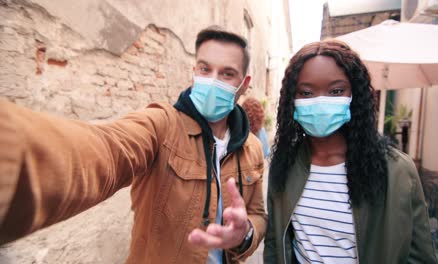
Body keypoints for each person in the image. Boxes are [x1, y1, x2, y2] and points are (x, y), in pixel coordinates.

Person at [0, 26, 267, 263]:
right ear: (194, 71)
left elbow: (257, 214)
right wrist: (13, 154)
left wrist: (245, 235)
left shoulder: (252, 148)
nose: (212, 81)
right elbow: (108, 149)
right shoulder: (162, 125)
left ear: (244, 84)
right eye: (205, 69)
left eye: (227, 74)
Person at [263, 40, 438, 264]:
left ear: (354, 95)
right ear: (291, 100)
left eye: (336, 90)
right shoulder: (285, 164)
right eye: (306, 93)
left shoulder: (396, 170)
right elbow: (275, 243)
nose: (321, 101)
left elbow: (420, 256)